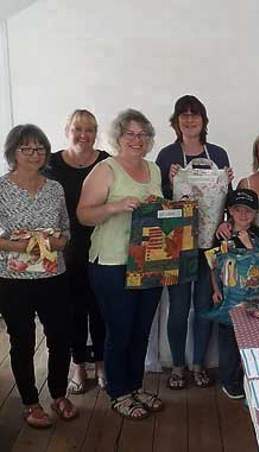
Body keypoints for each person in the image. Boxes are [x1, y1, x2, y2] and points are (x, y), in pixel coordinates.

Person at [77, 109, 164, 420]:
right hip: (112, 262)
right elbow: (83, 214)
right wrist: (115, 206)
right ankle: (118, 392)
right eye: (130, 133)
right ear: (118, 137)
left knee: (141, 331)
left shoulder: (154, 169)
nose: (136, 140)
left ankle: (135, 386)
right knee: (120, 330)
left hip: (150, 262)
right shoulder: (105, 170)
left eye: (142, 134)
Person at [0, 124, 78, 428]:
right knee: (22, 340)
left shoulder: (55, 188)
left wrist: (59, 242)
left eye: (40, 148)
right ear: (13, 153)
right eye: (26, 149)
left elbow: (66, 230)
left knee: (60, 336)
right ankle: (30, 402)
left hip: (53, 274)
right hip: (12, 278)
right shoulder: (2, 188)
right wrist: (21, 246)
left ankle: (58, 394)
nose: (34, 154)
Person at [155, 95, 232, 389]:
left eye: (194, 114)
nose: (189, 120)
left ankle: (198, 363)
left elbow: (227, 198)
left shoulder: (219, 154)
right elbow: (158, 200)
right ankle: (178, 365)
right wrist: (168, 181)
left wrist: (226, 219)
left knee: (203, 306)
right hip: (177, 244)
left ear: (203, 120)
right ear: (176, 121)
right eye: (184, 115)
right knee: (178, 308)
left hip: (209, 244)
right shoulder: (166, 155)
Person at [44, 109, 109, 394]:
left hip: (103, 246)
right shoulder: (51, 164)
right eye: (78, 129)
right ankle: (78, 364)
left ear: (96, 133)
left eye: (90, 130)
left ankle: (102, 363)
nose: (84, 135)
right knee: (73, 311)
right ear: (67, 131)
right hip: (65, 249)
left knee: (100, 309)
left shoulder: (106, 162)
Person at [208, 189, 259, 399]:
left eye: (249, 211)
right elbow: (213, 265)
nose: (243, 215)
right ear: (230, 211)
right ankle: (229, 381)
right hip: (228, 297)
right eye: (238, 209)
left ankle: (250, 378)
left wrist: (249, 245)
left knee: (253, 339)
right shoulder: (221, 234)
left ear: (256, 213)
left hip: (255, 297)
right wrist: (215, 290)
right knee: (228, 340)